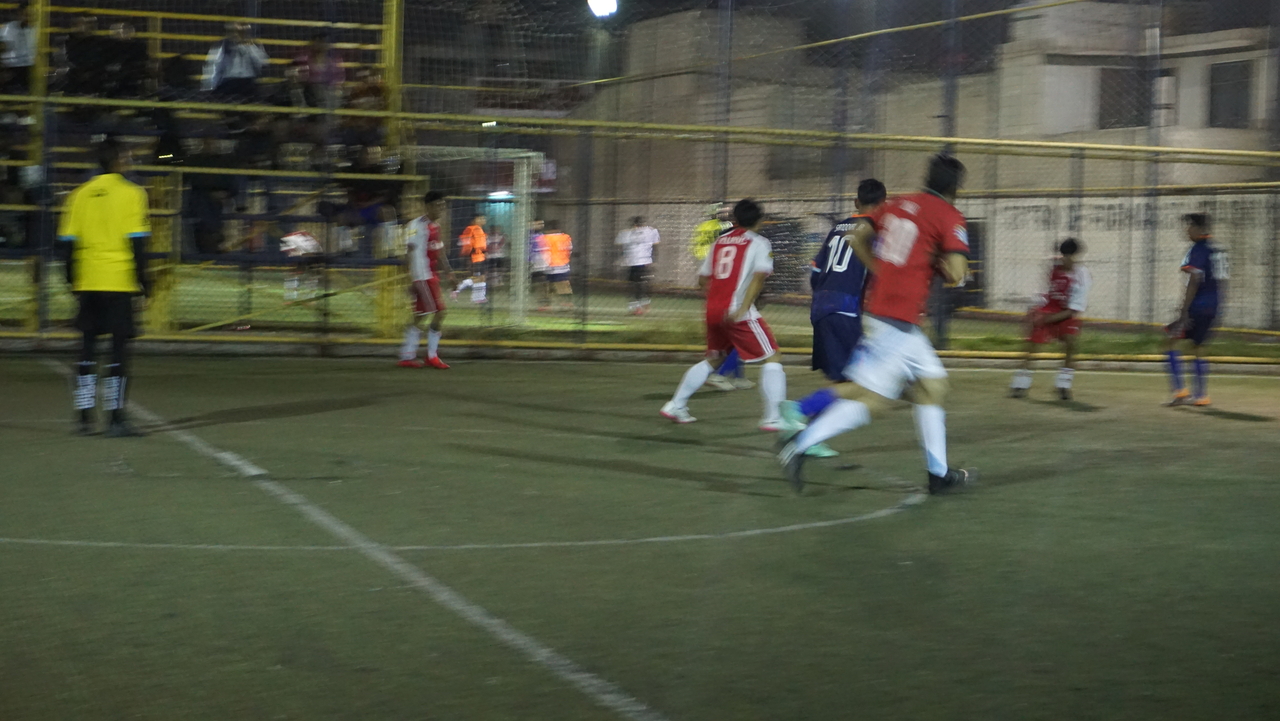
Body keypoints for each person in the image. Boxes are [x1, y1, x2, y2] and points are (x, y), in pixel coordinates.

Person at [776, 154, 976, 496]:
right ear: (955, 187)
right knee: (874, 400)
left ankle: (938, 474)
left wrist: (881, 270)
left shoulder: (897, 203)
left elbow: (857, 236)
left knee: (931, 388)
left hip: (886, 314)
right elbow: (957, 274)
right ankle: (800, 443)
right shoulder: (949, 214)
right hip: (897, 319)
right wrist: (940, 261)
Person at [779, 178, 885, 459]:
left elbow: (815, 272)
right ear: (882, 205)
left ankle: (810, 436)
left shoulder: (838, 228)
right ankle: (799, 409)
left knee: (840, 381)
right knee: (860, 381)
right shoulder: (874, 231)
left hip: (821, 306)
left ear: (856, 202)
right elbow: (879, 275)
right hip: (845, 309)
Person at [660, 198, 787, 429]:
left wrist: (718, 300)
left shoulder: (719, 241)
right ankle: (774, 417)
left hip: (713, 309)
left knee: (714, 358)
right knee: (773, 356)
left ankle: (676, 404)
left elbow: (702, 280)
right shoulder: (759, 243)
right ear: (760, 220)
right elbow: (759, 278)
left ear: (735, 219)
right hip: (737, 310)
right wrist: (742, 308)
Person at [58, 137, 151, 437]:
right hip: (118, 281)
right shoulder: (133, 193)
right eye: (127, 156)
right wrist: (145, 283)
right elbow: (137, 243)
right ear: (119, 160)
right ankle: (115, 419)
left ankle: (84, 419)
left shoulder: (78, 195)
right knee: (118, 353)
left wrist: (73, 281)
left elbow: (67, 245)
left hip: (88, 280)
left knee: (87, 351)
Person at [1008, 238, 1092, 400]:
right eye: (1064, 256)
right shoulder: (1053, 269)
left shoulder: (1082, 276)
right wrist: (1033, 314)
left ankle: (1063, 385)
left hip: (1066, 312)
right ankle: (1020, 384)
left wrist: (1048, 320)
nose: (1065, 260)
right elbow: (1043, 293)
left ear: (1076, 257)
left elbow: (1074, 309)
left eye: (1070, 256)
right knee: (1032, 345)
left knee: (1070, 343)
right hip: (1048, 310)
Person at [1163, 213, 1227, 407]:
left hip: (1197, 306)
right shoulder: (1217, 250)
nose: (1187, 230)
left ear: (1199, 229)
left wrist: (1184, 310)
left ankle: (1180, 392)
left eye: (1189, 226)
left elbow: (1194, 280)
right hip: (1213, 306)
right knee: (1198, 348)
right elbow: (1222, 281)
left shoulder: (1198, 249)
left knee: (1169, 343)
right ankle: (1201, 396)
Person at [692, 203, 751, 391]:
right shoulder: (748, 238)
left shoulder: (723, 237)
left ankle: (738, 377)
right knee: (740, 338)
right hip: (735, 293)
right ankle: (720, 374)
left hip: (720, 293)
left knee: (733, 338)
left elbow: (703, 278)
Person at [399, 190, 454, 369]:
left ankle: (408, 355)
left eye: (443, 206)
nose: (441, 209)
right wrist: (410, 279)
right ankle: (430, 356)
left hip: (431, 276)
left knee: (421, 315)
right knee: (439, 312)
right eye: (438, 205)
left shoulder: (435, 226)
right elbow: (408, 252)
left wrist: (450, 273)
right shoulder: (416, 225)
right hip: (422, 276)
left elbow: (440, 251)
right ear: (428, 206)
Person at [202, 23, 270, 100]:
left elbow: (262, 62)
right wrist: (210, 87)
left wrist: (249, 47)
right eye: (233, 31)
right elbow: (214, 65)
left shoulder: (254, 44)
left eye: (240, 32)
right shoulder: (222, 45)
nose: (236, 34)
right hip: (228, 83)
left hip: (248, 83)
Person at [617, 216, 660, 315]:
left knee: (634, 285)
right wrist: (654, 259)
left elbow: (621, 247)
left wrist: (622, 259)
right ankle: (644, 303)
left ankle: (637, 306)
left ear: (634, 224)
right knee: (643, 284)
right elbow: (655, 245)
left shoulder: (626, 233)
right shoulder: (650, 231)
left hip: (632, 262)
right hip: (644, 262)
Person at [452, 214, 488, 303]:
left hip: (480, 256)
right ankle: (457, 290)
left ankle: (478, 298)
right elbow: (466, 243)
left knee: (482, 277)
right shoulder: (470, 229)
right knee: (477, 277)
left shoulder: (480, 229)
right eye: (480, 218)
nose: (483, 220)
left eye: (484, 218)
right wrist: (468, 254)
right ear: (474, 220)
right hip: (474, 257)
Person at [0, 2, 34, 95]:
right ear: (19, 14)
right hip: (11, 68)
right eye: (25, 14)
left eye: (31, 14)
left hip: (31, 68)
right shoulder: (7, 29)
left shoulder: (38, 31)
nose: (28, 17)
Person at [542, 220, 574, 310]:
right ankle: (567, 303)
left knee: (548, 284)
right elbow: (569, 249)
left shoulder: (546, 238)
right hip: (563, 264)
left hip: (550, 265)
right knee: (564, 284)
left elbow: (544, 251)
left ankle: (547, 304)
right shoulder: (565, 237)